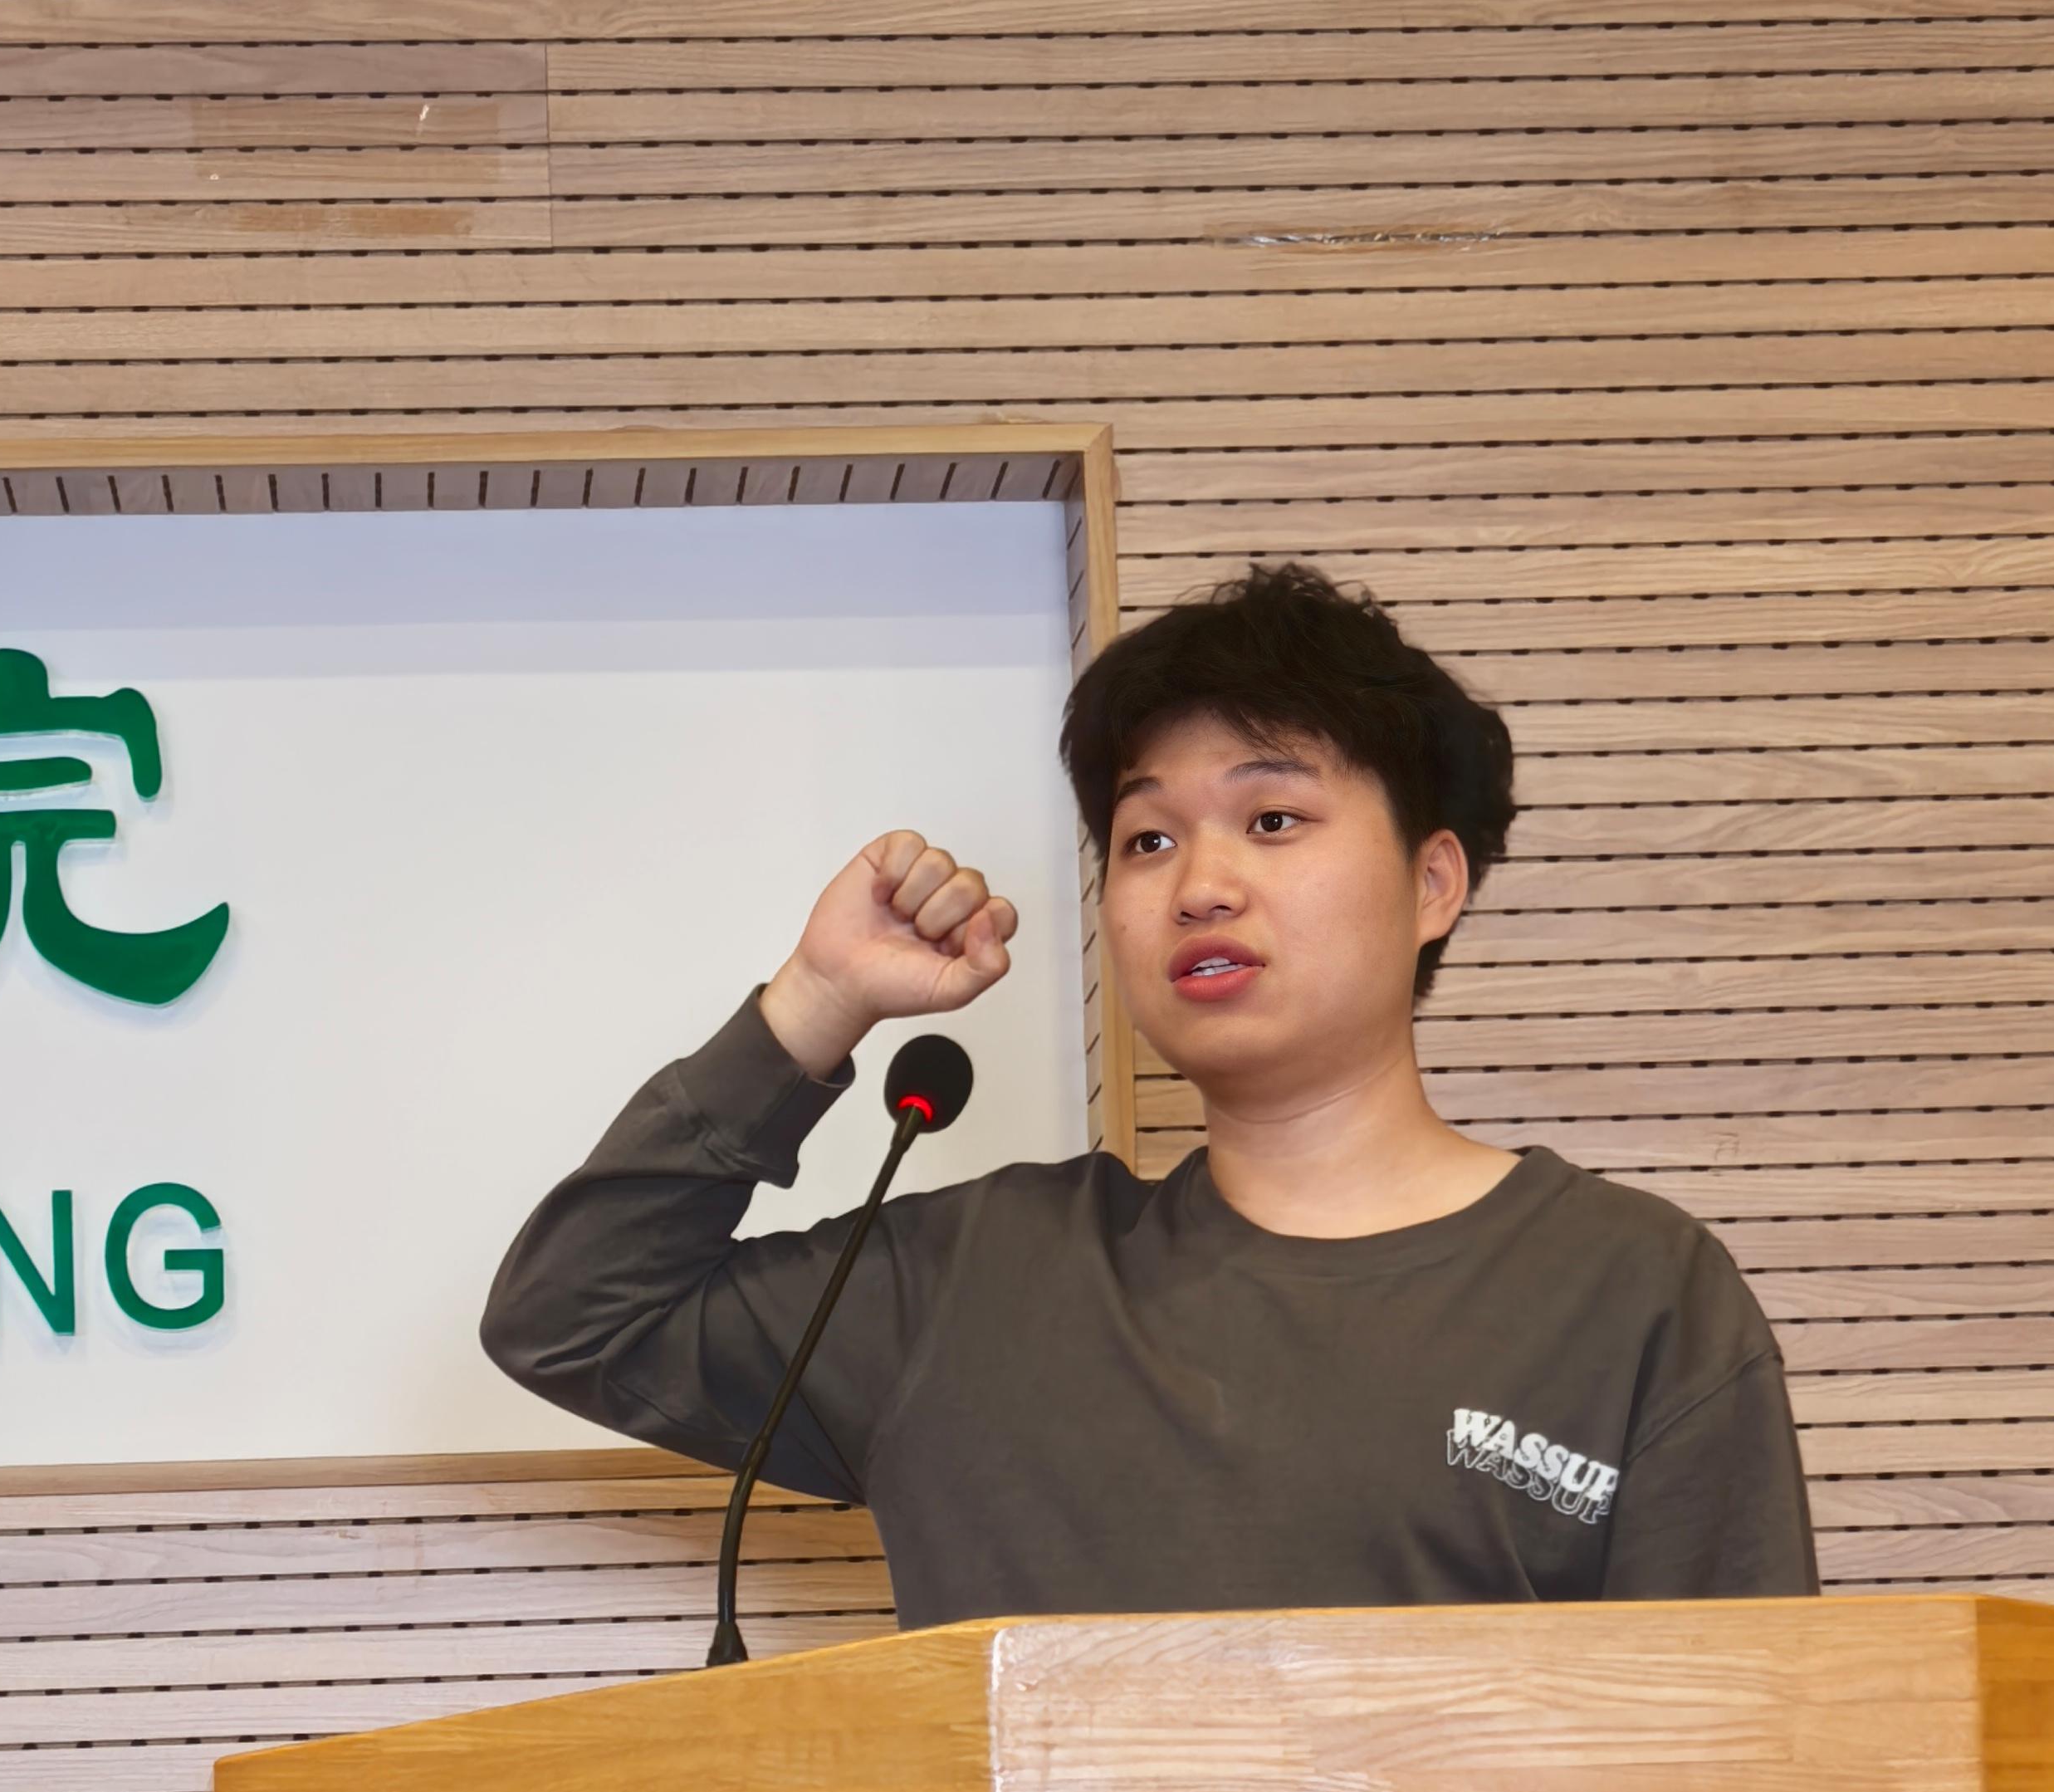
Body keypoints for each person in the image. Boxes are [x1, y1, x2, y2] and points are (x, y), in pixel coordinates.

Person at [482, 561, 1815, 1628]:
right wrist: (820, 999)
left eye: (1273, 820)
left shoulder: (1633, 1293)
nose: (1199, 885)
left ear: (1433, 883)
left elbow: (1755, 1767)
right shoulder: (974, 1283)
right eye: (1147, 838)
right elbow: (575, 1317)